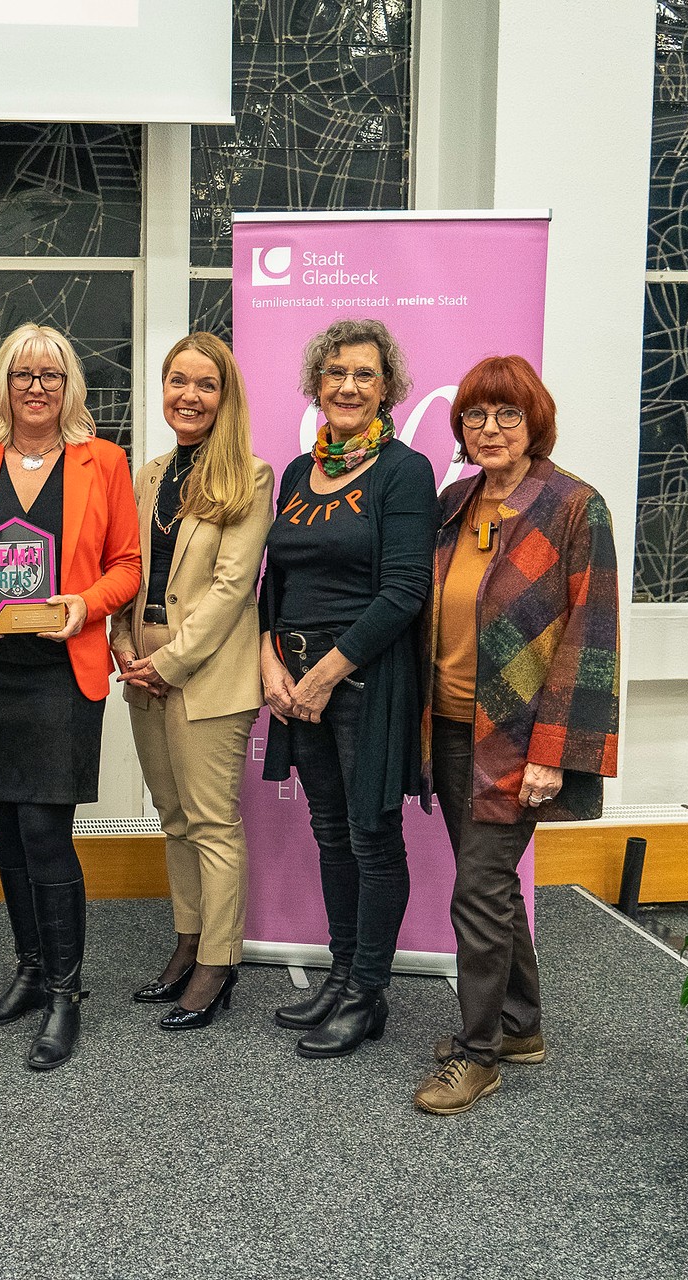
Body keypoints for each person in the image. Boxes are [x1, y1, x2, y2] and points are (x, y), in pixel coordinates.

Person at [0, 322, 141, 1071]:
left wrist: (85, 604)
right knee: (9, 834)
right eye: (24, 374)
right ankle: (27, 968)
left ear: (70, 384)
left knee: (47, 834)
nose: (37, 387)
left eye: (51, 374)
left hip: (60, 674)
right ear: (4, 384)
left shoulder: (103, 460)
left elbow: (126, 564)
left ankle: (64, 993)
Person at [412, 355, 619, 1116]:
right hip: (449, 727)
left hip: (518, 738)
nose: (490, 429)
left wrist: (552, 754)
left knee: (478, 891)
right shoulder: (454, 503)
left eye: (508, 415)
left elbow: (590, 637)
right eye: (475, 415)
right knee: (492, 887)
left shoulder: (574, 507)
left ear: (536, 423)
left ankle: (478, 1055)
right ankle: (521, 1025)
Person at [259, 317, 436, 1061]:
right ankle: (339, 975)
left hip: (365, 680)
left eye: (365, 374)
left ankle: (368, 992)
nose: (349, 386)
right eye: (335, 373)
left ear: (387, 387)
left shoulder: (405, 471)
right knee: (329, 830)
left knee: (371, 835)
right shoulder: (299, 473)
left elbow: (405, 591)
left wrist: (327, 674)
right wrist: (270, 661)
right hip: (296, 679)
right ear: (316, 384)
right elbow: (277, 580)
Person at [109, 333, 274, 1030]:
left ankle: (218, 961)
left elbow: (234, 586)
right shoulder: (148, 475)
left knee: (210, 823)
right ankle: (187, 940)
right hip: (142, 663)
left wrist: (169, 662)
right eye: (179, 380)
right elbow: (126, 567)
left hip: (205, 672)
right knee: (173, 818)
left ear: (225, 395)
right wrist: (123, 644)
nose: (190, 395)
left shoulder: (250, 477)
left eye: (206, 384)